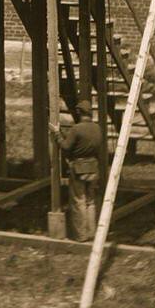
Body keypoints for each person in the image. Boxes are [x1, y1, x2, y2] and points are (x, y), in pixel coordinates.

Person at [51, 101, 101, 241]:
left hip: (79, 168)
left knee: (79, 200)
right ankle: (92, 233)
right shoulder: (97, 128)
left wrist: (57, 134)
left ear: (79, 113)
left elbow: (66, 147)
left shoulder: (77, 129)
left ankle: (81, 235)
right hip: (93, 167)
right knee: (90, 201)